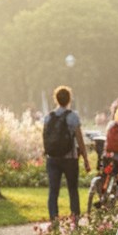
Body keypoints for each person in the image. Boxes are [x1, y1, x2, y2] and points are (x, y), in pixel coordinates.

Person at [42, 85, 90, 222]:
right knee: (73, 190)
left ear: (56, 99)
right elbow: (80, 140)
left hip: (52, 158)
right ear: (69, 99)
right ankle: (75, 220)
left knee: (53, 191)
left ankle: (53, 219)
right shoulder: (72, 117)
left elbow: (45, 137)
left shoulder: (48, 117)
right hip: (70, 158)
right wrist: (86, 159)